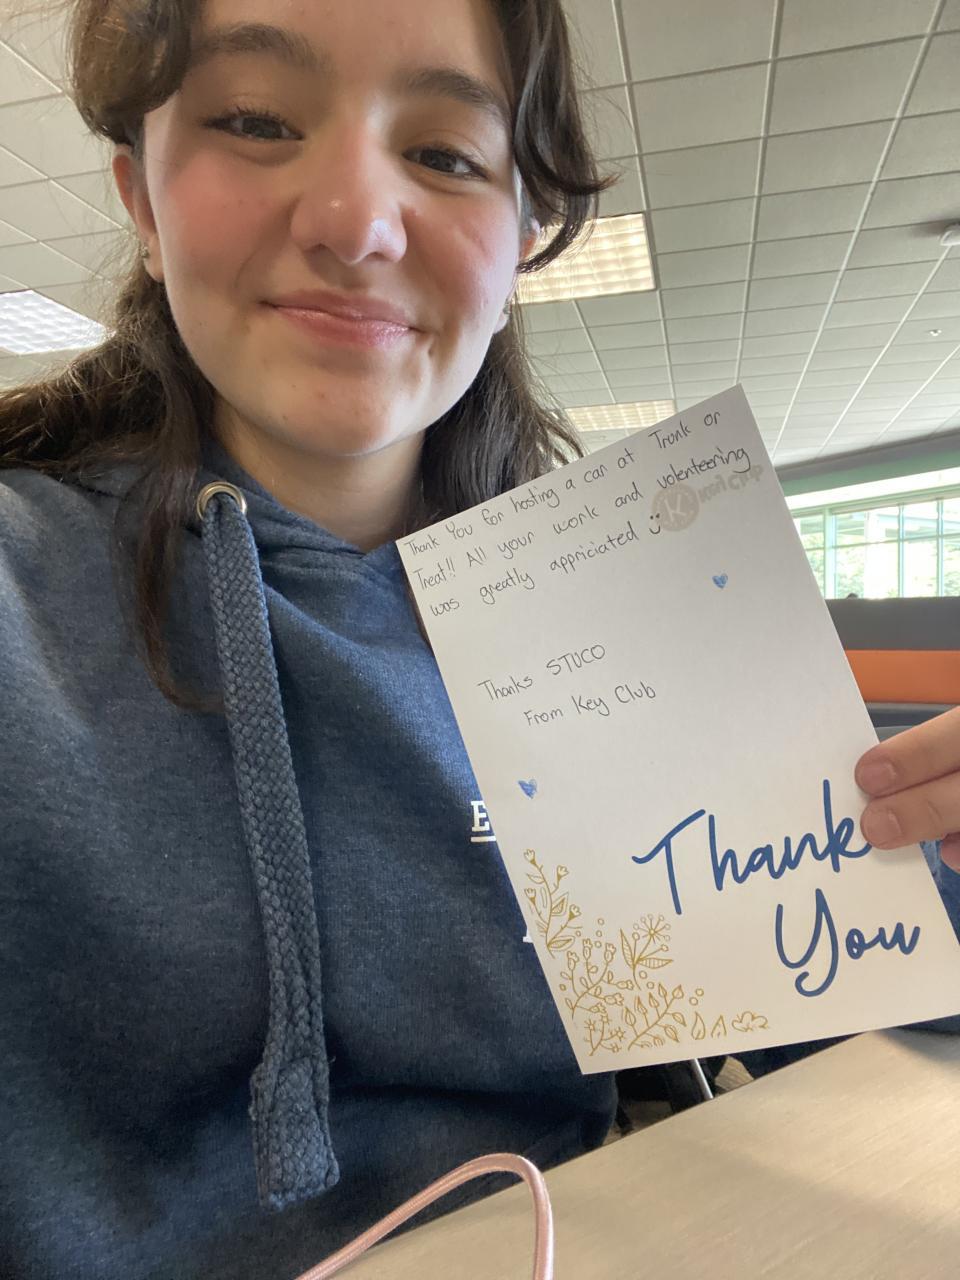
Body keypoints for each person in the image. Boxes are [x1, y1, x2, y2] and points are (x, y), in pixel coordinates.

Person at [1, 1, 958, 1277]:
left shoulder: (623, 619)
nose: (356, 221)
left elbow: (865, 1010)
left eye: (447, 153)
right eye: (255, 121)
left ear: (521, 239)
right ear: (141, 192)